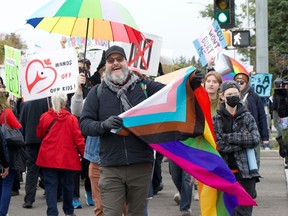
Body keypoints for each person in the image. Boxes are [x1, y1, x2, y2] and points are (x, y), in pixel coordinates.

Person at [79, 45, 166, 215]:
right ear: (106, 65)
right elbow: (85, 124)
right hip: (111, 167)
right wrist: (103, 125)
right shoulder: (97, 93)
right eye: (111, 60)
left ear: (127, 62)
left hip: (141, 164)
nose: (116, 63)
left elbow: (171, 92)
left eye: (120, 59)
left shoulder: (144, 87)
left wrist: (190, 80)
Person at [213, 80, 261, 216]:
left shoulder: (247, 116)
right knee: (228, 211)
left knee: (244, 211)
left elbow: (254, 139)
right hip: (226, 172)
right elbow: (220, 144)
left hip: (247, 172)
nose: (233, 96)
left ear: (239, 95)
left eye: (235, 94)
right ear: (222, 96)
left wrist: (229, 137)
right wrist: (242, 142)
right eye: (229, 94)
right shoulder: (217, 119)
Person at [36, 91, 85, 216]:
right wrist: (85, 154)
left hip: (48, 157)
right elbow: (78, 139)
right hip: (67, 158)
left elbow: (39, 134)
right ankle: (69, 211)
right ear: (65, 102)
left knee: (51, 186)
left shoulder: (45, 117)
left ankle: (52, 212)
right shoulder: (72, 119)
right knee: (68, 185)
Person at [233, 72, 270, 169]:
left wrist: (265, 137)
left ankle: (253, 178)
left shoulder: (254, 96)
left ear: (247, 83)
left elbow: (262, 117)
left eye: (242, 82)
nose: (239, 84)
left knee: (255, 159)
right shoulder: (231, 96)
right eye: (237, 82)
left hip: (253, 133)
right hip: (237, 134)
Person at [19, 98, 49, 209]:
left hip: (30, 141)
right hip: (44, 140)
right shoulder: (46, 102)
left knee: (31, 170)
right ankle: (54, 194)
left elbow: (21, 123)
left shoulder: (25, 103)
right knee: (48, 168)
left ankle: (29, 199)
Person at [0, 85, 23, 216]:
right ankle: (3, 213)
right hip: (9, 152)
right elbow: (19, 129)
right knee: (7, 184)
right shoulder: (7, 112)